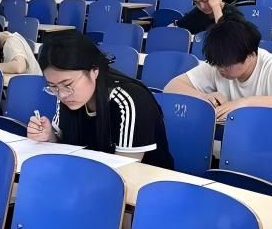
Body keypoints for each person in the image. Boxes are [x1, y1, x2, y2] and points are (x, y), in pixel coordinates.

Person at [28, 32, 174, 168]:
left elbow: (125, 169)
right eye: (53, 86)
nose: (62, 95)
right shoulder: (66, 94)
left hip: (143, 181)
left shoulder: (131, 100)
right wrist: (50, 137)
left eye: (68, 84)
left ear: (94, 71)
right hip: (89, 172)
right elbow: (67, 147)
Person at [165, 18, 272, 117]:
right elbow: (171, 87)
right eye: (216, 64)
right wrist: (204, 97)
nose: (220, 69)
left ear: (250, 56)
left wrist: (245, 103)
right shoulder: (219, 62)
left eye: (227, 65)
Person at [175, 0, 240, 36]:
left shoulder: (233, 14)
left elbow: (226, 37)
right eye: (196, 2)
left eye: (204, 0)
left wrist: (216, 7)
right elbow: (176, 27)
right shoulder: (195, 13)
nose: (202, 6)